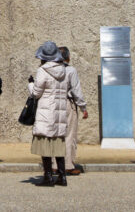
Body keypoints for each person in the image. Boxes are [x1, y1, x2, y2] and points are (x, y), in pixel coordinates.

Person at [29, 40, 71, 186]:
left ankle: (48, 177)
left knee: (45, 145)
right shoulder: (64, 70)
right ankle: (62, 176)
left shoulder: (42, 70)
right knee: (58, 144)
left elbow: (36, 93)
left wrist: (30, 85)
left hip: (46, 112)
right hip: (59, 112)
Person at [58, 46, 88, 175]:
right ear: (68, 57)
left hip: (53, 104)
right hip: (67, 103)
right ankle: (68, 165)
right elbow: (76, 90)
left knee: (56, 134)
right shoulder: (70, 70)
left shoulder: (49, 69)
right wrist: (83, 107)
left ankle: (54, 164)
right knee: (69, 134)